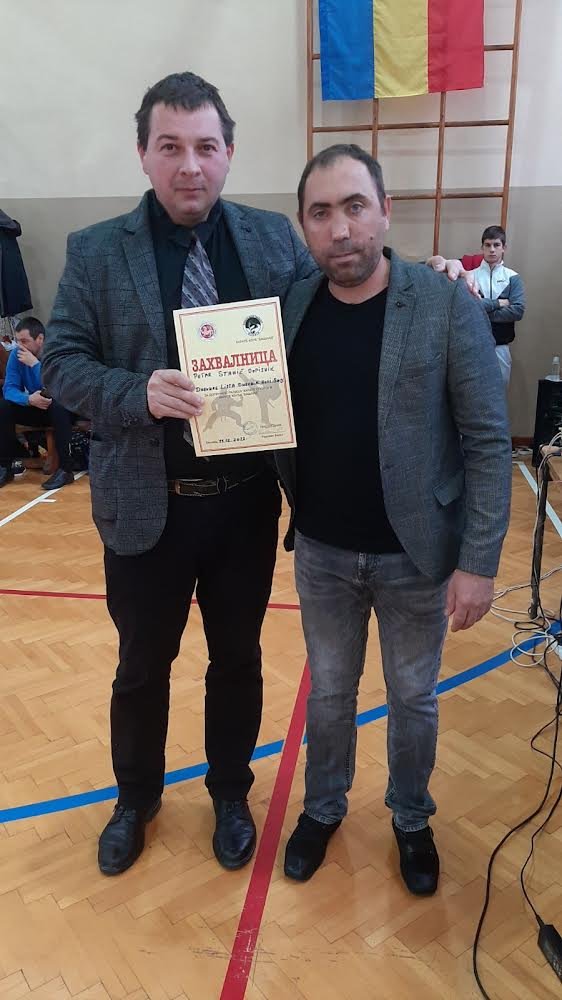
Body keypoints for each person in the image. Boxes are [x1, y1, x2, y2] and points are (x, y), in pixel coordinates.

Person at [41, 71, 318, 877]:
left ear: (229, 152)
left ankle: (230, 793)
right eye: (170, 147)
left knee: (238, 659)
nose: (189, 165)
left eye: (205, 146)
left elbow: (330, 316)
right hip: (144, 504)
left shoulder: (273, 240)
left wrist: (411, 278)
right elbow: (60, 363)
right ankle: (136, 798)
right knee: (141, 666)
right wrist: (137, 392)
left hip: (244, 504)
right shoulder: (96, 250)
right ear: (143, 154)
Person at [274, 145, 512, 894]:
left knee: (412, 698)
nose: (340, 228)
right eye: (321, 213)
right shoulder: (290, 308)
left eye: (354, 206)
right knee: (329, 694)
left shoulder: (444, 303)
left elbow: (487, 440)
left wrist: (478, 562)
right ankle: (323, 806)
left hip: (417, 556)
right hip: (321, 552)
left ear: (385, 211)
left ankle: (411, 817)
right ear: (304, 226)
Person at [427, 226, 526, 386]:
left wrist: (480, 310)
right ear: (482, 247)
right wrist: (498, 303)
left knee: (499, 395)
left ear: (504, 248)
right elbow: (466, 307)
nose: (492, 250)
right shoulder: (469, 275)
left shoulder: (513, 278)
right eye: (488, 245)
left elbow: (517, 311)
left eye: (496, 245)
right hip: (472, 346)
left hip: (501, 347)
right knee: (471, 393)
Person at [0, 317, 74, 489]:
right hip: (36, 404)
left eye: (24, 341)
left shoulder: (56, 352)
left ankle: (66, 469)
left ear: (40, 339)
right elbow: (9, 389)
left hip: (63, 406)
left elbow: (59, 387)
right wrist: (28, 399)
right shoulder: (16, 356)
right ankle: (5, 466)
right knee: (2, 407)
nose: (20, 345)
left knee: (58, 405)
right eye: (18, 340)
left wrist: (35, 365)